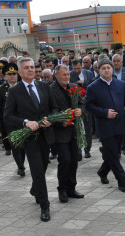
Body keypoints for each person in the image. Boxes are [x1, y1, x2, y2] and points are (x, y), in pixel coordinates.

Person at [3, 57, 56, 222]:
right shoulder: (14, 91)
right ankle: (44, 205)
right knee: (37, 170)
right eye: (26, 68)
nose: (31, 70)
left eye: (32, 67)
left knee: (44, 165)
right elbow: (8, 116)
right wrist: (26, 122)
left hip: (45, 134)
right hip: (29, 137)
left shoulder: (44, 86)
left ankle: (35, 189)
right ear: (20, 72)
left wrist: (50, 118)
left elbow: (53, 107)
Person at [85, 54, 125, 193]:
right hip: (104, 126)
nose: (106, 70)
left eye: (108, 67)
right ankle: (122, 182)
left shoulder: (120, 84)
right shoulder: (93, 87)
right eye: (103, 68)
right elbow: (88, 106)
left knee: (114, 152)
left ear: (112, 69)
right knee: (114, 155)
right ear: (99, 70)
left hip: (120, 124)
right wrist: (104, 112)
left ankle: (102, 172)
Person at [51, 64, 85, 203]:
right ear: (56, 75)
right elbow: (51, 110)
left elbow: (82, 104)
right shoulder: (50, 90)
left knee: (75, 159)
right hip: (60, 132)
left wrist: (80, 111)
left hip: (74, 131)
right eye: (63, 75)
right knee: (65, 160)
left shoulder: (73, 87)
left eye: (68, 75)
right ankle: (62, 189)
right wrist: (61, 121)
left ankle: (72, 188)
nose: (66, 77)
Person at [0, 63, 26, 176]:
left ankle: (22, 162)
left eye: (14, 74)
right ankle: (20, 166)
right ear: (5, 76)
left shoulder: (23, 86)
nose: (12, 76)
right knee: (15, 145)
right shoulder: (1, 89)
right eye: (9, 74)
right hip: (9, 122)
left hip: (23, 120)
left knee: (22, 144)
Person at [70, 59, 94, 159]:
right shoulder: (70, 74)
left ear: (82, 66)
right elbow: (68, 88)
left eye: (78, 68)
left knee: (88, 128)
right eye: (74, 69)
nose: (76, 71)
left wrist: (86, 96)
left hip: (87, 105)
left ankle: (87, 149)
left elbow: (93, 86)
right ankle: (78, 150)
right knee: (77, 129)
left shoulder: (88, 73)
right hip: (75, 106)